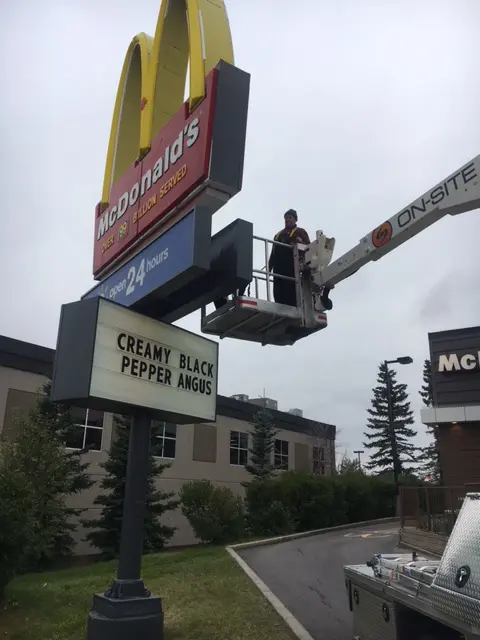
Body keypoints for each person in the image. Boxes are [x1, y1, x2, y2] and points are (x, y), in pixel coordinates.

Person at [268, 209, 310, 307]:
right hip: (278, 269)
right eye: (286, 218)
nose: (287, 220)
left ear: (295, 219)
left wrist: (299, 241)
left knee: (291, 293)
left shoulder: (300, 232)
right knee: (278, 293)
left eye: (290, 217)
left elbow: (308, 248)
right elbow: (273, 253)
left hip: (292, 268)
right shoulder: (278, 235)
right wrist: (269, 267)